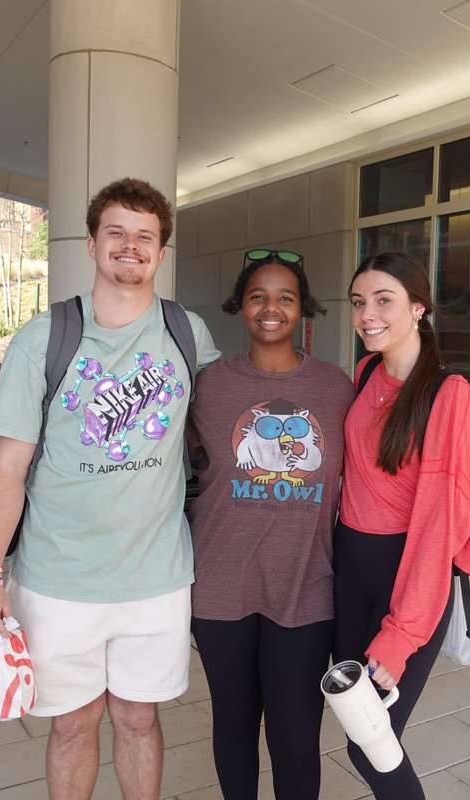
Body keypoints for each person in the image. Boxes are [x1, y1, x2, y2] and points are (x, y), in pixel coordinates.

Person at [0, 177, 220, 800]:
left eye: (145, 237)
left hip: (156, 578)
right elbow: (9, 470)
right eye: (117, 233)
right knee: (73, 726)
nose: (130, 247)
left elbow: (227, 438)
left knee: (139, 719)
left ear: (161, 254)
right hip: (59, 579)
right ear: (92, 243)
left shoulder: (189, 336)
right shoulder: (42, 340)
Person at [185, 250, 354, 800]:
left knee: (296, 735)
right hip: (218, 585)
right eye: (258, 295)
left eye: (286, 296)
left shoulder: (336, 389)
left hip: (305, 587)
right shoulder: (207, 386)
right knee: (233, 726)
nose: (271, 307)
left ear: (304, 309)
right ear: (241, 306)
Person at [334, 251, 470, 799]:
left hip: (406, 577)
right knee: (358, 728)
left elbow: (438, 528)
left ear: (419, 307)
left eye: (384, 300)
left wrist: (401, 635)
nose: (367, 314)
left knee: (370, 739)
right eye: (359, 302)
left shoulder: (449, 395)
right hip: (348, 572)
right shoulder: (365, 372)